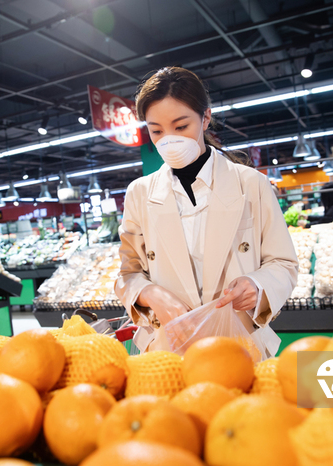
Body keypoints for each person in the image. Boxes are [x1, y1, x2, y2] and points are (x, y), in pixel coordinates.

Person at [114, 67, 298, 354]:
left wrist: (257, 284)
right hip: (168, 347)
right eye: (156, 131)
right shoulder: (139, 193)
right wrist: (152, 294)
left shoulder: (251, 184)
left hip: (239, 344)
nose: (169, 140)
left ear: (205, 118)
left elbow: (284, 264)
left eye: (181, 126)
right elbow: (128, 273)